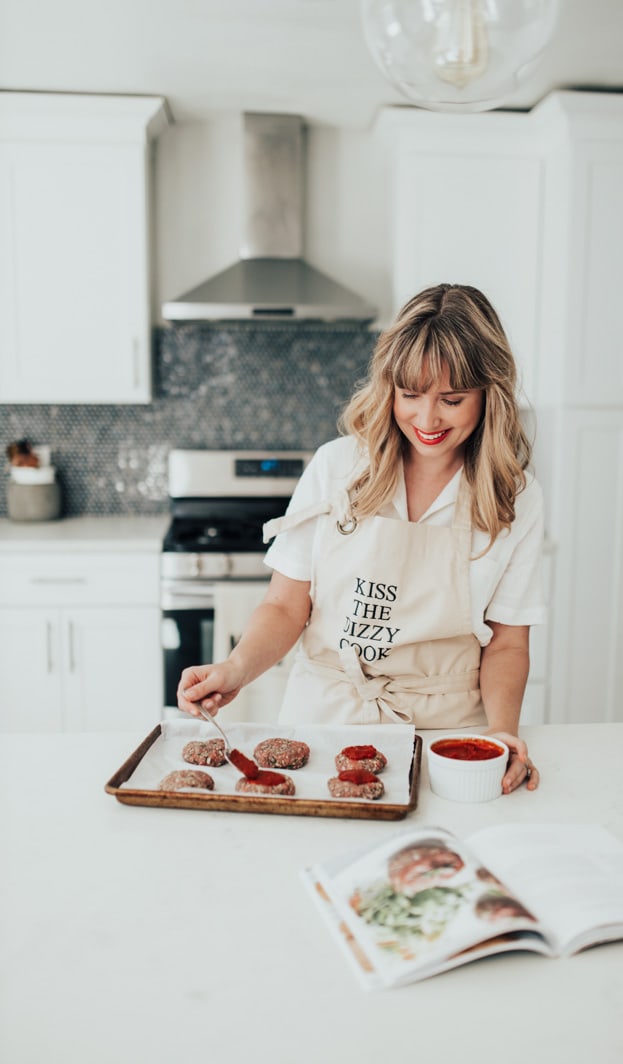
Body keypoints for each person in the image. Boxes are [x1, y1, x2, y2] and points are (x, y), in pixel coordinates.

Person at [178, 283, 545, 794]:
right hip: (325, 719)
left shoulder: (516, 497)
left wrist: (502, 733)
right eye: (410, 395)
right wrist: (236, 669)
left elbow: (507, 641)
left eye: (452, 400)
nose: (427, 419)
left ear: (490, 394)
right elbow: (286, 606)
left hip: (448, 735)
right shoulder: (338, 467)